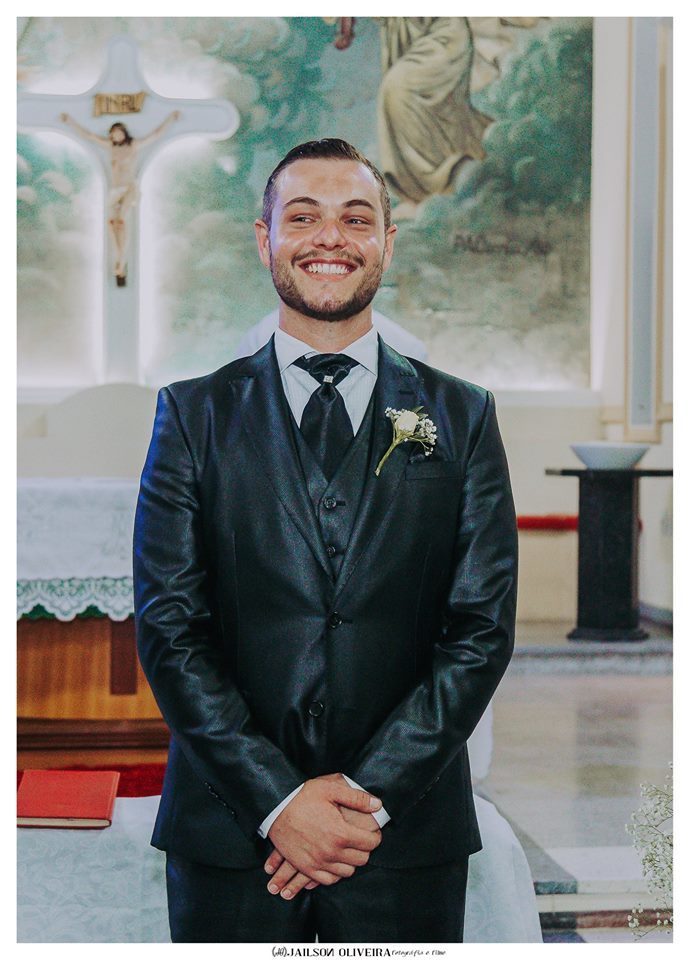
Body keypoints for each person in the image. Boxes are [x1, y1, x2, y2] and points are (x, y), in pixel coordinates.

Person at [133, 138, 518, 943]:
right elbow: (171, 629)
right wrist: (279, 802)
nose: (330, 238)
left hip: (402, 835)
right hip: (232, 832)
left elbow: (480, 630)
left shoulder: (463, 415)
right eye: (303, 216)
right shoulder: (193, 415)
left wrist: (361, 803)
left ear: (388, 242)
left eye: (356, 218)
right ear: (265, 239)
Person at [60, 111, 180, 285]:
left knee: (121, 221)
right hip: (115, 191)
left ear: (124, 133)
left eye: (119, 132)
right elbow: (88, 135)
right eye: (113, 133)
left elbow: (156, 134)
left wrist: (170, 119)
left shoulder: (133, 145)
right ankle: (120, 259)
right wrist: (69, 121)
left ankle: (121, 262)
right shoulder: (110, 146)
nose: (116, 136)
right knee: (111, 223)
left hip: (129, 188)